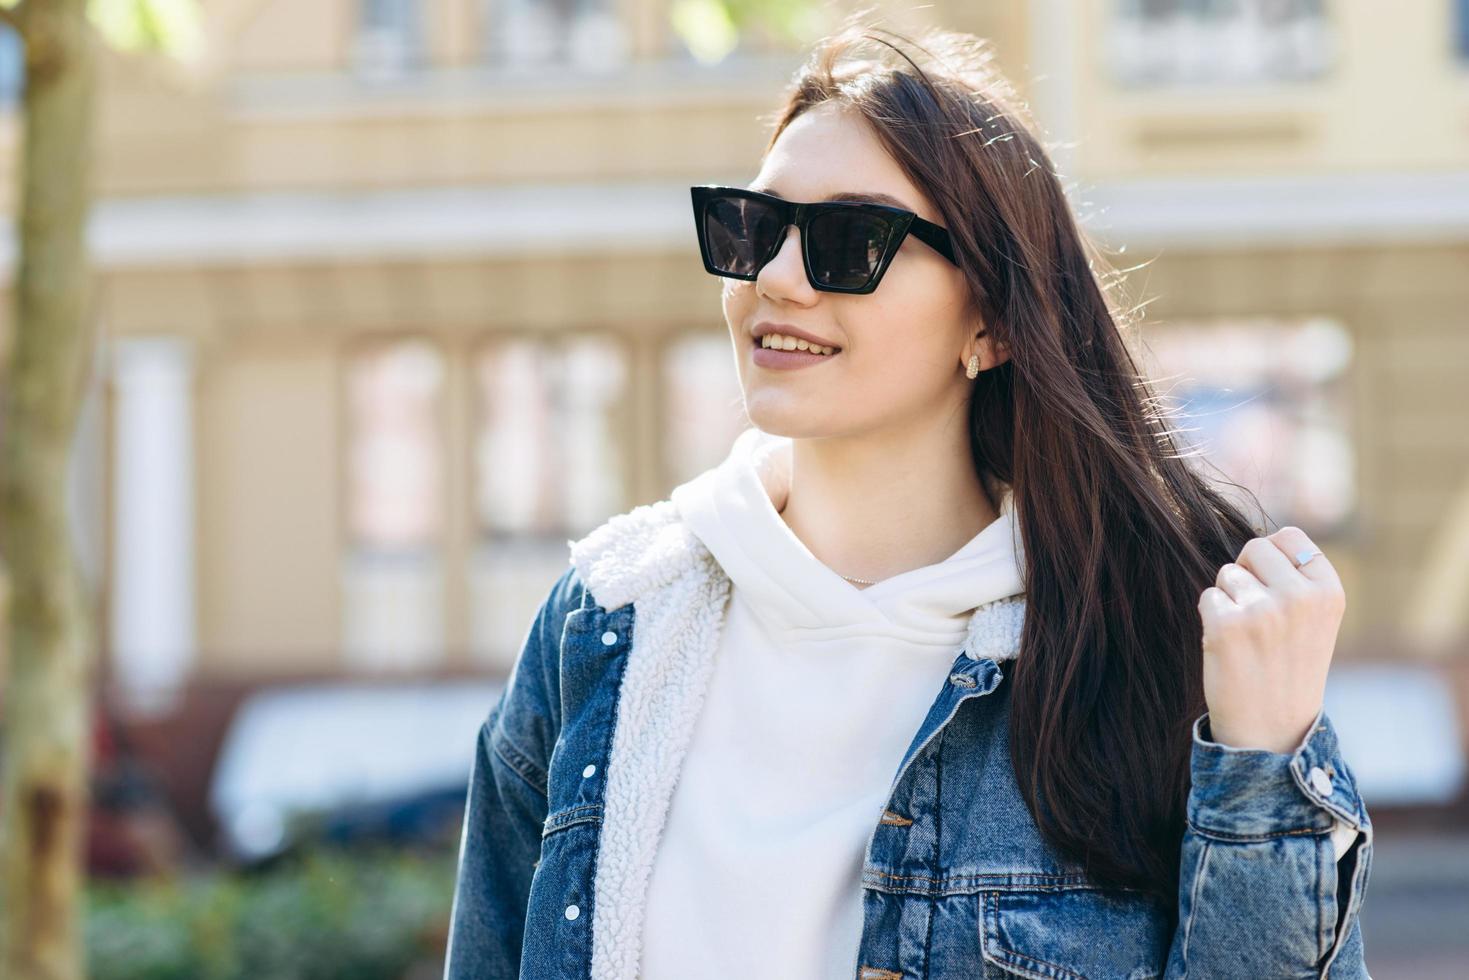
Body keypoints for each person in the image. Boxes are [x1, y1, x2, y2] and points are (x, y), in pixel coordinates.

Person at [444, 18, 1372, 980]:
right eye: (755, 228)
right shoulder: (605, 623)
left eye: (851, 241)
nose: (774, 278)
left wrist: (1261, 765)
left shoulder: (1144, 640)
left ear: (994, 320)